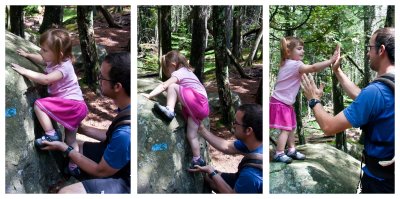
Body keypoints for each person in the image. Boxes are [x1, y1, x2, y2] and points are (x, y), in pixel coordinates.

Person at [301, 27, 394, 193]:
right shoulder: (390, 86)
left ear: (381, 50)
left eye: (370, 48)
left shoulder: (376, 92)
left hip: (380, 183)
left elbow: (329, 127)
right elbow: (363, 98)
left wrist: (313, 100)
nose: (367, 53)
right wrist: (337, 71)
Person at [41, 52, 131, 193]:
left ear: (117, 86)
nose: (98, 79)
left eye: (102, 77)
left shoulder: (125, 134)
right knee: (79, 147)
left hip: (127, 182)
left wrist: (65, 148)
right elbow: (114, 137)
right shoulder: (127, 108)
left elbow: (101, 171)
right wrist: (83, 128)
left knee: (65, 193)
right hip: (120, 159)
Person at [11, 28, 88, 176]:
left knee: (40, 105)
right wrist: (27, 55)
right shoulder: (58, 60)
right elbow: (42, 60)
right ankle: (73, 166)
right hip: (79, 107)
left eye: (44, 50)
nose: (41, 51)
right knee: (71, 139)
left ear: (58, 54)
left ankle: (51, 134)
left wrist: (26, 71)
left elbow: (46, 79)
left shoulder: (63, 68)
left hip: (71, 105)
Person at [270, 36, 339, 163]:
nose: (303, 51)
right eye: (299, 49)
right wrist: (330, 61)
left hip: (284, 102)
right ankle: (279, 153)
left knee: (290, 127)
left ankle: (291, 149)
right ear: (288, 52)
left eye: (303, 49)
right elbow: (313, 68)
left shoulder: (286, 63)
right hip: (281, 102)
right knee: (286, 129)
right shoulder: (295, 65)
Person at [143, 50, 209, 169]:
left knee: (172, 86)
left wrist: (150, 95)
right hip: (202, 107)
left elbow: (164, 85)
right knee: (192, 135)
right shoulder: (189, 72)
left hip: (197, 101)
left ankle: (169, 110)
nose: (169, 74)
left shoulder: (180, 72)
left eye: (168, 70)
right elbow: (183, 93)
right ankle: (197, 159)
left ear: (173, 65)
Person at [189, 104, 263, 193]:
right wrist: (201, 129)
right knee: (210, 179)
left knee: (212, 177)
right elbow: (227, 146)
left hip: (246, 186)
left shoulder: (251, 175)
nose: (233, 125)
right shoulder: (255, 142)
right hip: (244, 181)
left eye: (236, 123)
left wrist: (212, 172)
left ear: (248, 130)